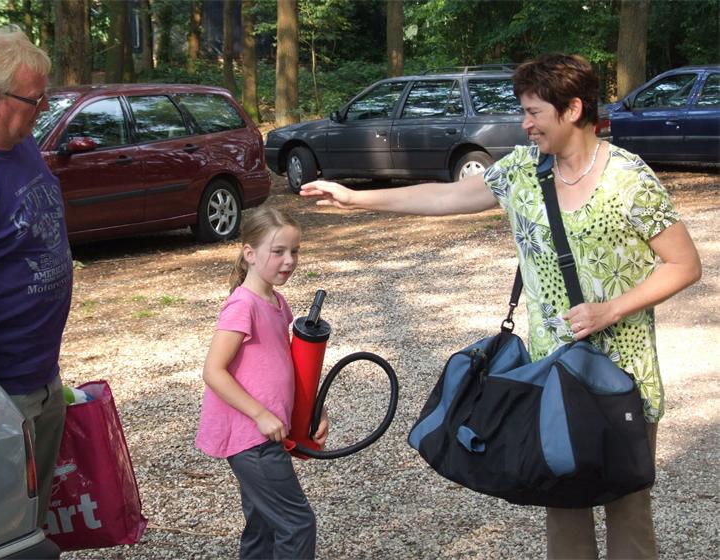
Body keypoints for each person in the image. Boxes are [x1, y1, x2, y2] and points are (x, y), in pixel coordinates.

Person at [301, 53, 702, 559]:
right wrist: (356, 199)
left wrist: (612, 309)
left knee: (629, 512)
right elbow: (446, 197)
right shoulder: (522, 172)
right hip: (552, 374)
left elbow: (684, 264)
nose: (525, 123)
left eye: (534, 112)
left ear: (573, 109)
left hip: (623, 375)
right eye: (524, 111)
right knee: (563, 503)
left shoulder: (628, 178)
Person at [0, 25, 72, 529]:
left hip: (42, 376)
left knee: (35, 523)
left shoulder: (22, 142)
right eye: (35, 100)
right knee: (4, 532)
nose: (44, 108)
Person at [195, 206, 329, 560]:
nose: (289, 261)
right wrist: (260, 414)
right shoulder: (243, 305)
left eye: (295, 251)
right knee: (297, 524)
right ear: (250, 254)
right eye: (278, 251)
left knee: (265, 524)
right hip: (251, 438)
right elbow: (214, 371)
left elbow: (288, 365)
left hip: (267, 433)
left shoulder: (277, 302)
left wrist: (316, 409)